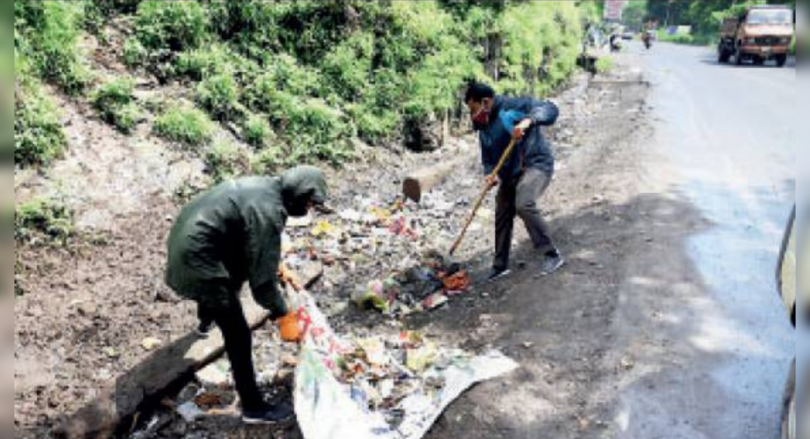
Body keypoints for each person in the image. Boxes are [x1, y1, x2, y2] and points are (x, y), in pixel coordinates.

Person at [164, 165, 332, 425]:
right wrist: (283, 314)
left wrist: (277, 267)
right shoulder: (269, 210)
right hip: (196, 256)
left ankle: (205, 321)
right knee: (238, 334)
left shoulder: (267, 187)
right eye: (309, 202)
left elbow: (252, 243)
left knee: (232, 277)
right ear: (298, 195)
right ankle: (253, 407)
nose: (309, 209)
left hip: (187, 238)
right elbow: (262, 286)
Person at [464, 82, 563, 281]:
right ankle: (500, 266)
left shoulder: (512, 106)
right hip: (510, 175)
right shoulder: (483, 126)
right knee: (502, 211)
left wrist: (529, 121)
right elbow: (488, 158)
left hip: (535, 165)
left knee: (524, 204)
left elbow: (550, 109)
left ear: (486, 101)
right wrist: (489, 173)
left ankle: (551, 254)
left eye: (474, 109)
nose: (474, 114)